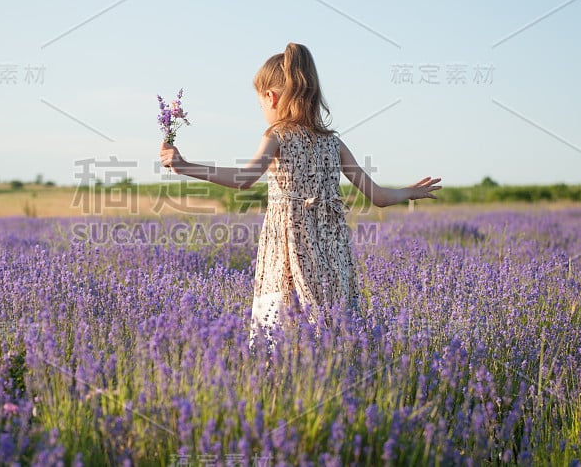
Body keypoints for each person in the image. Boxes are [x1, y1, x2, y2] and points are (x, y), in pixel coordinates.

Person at [159, 42, 441, 355]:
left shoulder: (277, 135)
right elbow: (379, 197)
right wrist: (411, 192)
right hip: (330, 252)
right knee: (331, 330)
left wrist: (185, 167)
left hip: (288, 249)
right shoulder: (333, 144)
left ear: (272, 97)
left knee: (281, 336)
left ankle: (281, 391)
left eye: (260, 103)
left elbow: (244, 179)